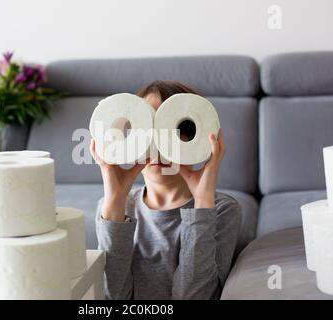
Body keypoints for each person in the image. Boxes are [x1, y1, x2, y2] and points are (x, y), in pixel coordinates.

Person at [91, 80, 242, 300]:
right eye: (148, 128)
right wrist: (115, 201)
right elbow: (111, 298)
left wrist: (202, 202)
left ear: (195, 136)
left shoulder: (221, 211)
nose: (159, 145)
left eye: (175, 128)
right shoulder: (112, 208)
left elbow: (194, 296)